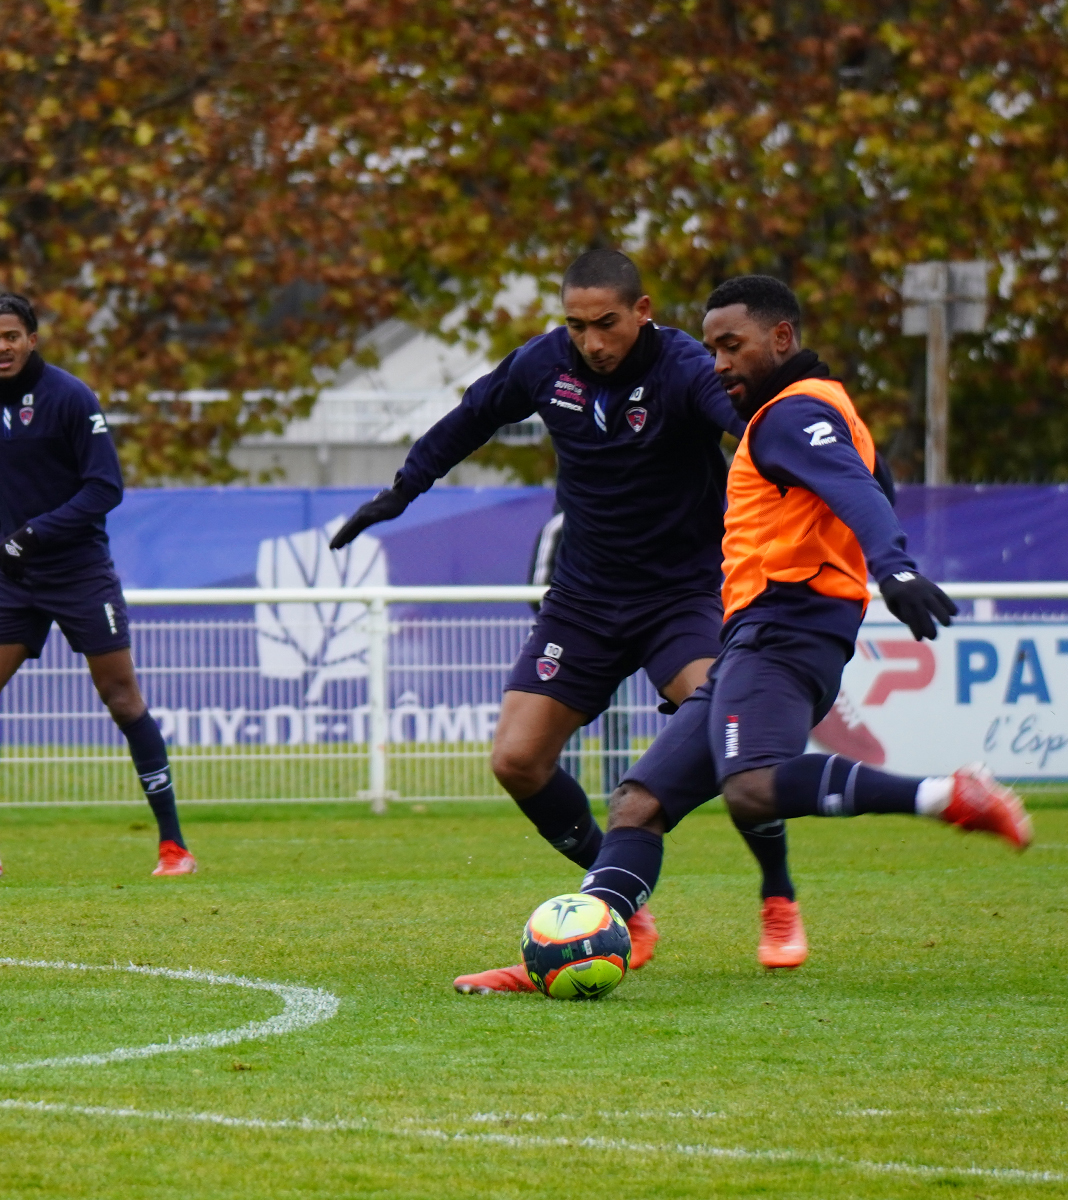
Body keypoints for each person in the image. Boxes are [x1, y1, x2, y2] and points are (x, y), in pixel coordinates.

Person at [329, 250, 806, 990]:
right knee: (515, 760)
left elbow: (751, 428)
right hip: (582, 600)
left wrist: (824, 473)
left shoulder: (684, 367)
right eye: (577, 326)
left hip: (684, 596)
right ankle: (618, 905)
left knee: (734, 733)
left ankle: (777, 895)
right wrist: (402, 491)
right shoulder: (545, 364)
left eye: (606, 324)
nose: (591, 342)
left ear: (642, 310)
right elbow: (471, 418)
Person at [568, 275, 1031, 956]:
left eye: (733, 345)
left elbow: (853, 489)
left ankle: (946, 794)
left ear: (782, 338)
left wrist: (894, 566)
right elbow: (872, 484)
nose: (719, 362)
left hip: (787, 627)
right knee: (639, 802)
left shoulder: (791, 412)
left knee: (752, 787)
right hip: (758, 636)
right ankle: (589, 942)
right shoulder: (814, 412)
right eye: (711, 348)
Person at [0, 294, 196, 880]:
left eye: (12, 336)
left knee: (121, 699)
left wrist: (33, 534)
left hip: (79, 571)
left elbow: (104, 488)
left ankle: (174, 848)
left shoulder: (70, 396)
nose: (2, 347)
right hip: (14, 577)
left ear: (33, 339)